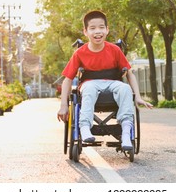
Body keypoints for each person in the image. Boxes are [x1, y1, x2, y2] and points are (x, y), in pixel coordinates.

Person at [57, 10, 152, 150]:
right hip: (89, 85)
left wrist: (137, 96)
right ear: (85, 31)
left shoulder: (114, 50)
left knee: (125, 88)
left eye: (101, 27)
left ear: (107, 30)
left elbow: (129, 73)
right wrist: (64, 105)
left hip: (113, 84)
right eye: (93, 28)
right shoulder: (80, 53)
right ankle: (84, 127)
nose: (98, 31)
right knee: (89, 88)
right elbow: (67, 79)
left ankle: (126, 134)